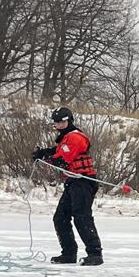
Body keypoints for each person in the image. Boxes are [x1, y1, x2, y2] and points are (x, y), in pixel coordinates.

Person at [32, 107, 103, 266]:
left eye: (62, 121)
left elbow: (62, 160)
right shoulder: (65, 138)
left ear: (69, 121)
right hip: (72, 182)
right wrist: (43, 153)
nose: (59, 124)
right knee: (60, 218)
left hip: (84, 182)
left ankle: (95, 253)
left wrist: (47, 158)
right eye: (56, 122)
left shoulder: (76, 138)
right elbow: (57, 151)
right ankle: (69, 253)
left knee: (82, 217)